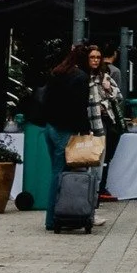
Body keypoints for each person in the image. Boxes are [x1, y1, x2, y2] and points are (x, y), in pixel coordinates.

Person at [43, 43, 105, 230]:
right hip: (66, 130)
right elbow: (80, 108)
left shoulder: (57, 72)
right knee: (59, 173)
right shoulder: (81, 78)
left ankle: (56, 216)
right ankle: (53, 218)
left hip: (50, 127)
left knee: (56, 171)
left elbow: (46, 100)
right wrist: (86, 131)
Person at [89, 46, 124, 202]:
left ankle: (98, 190)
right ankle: (91, 191)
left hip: (104, 121)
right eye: (92, 57)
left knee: (103, 158)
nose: (96, 60)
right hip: (89, 123)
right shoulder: (83, 77)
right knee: (90, 159)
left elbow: (119, 95)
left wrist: (108, 89)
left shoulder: (105, 76)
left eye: (98, 57)